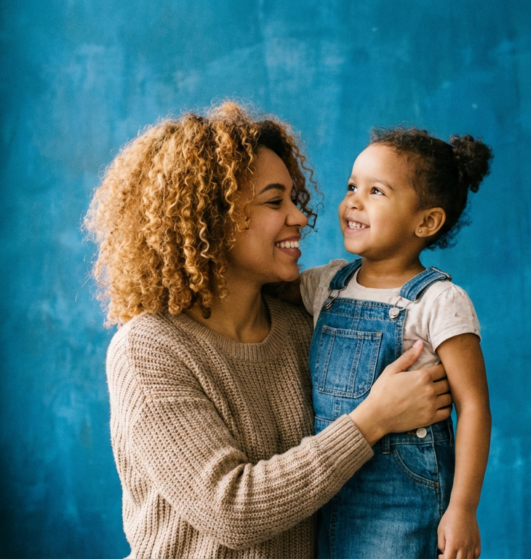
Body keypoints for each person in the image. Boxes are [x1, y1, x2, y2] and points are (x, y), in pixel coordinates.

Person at [84, 103, 454, 558]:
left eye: (295, 200)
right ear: (212, 219)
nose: (299, 217)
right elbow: (230, 511)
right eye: (275, 201)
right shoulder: (149, 350)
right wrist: (374, 419)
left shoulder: (306, 329)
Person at [291, 128, 493, 559]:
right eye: (351, 187)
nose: (353, 201)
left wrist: (463, 508)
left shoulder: (438, 301)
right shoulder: (327, 284)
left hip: (400, 501)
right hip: (326, 487)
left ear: (426, 221)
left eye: (376, 191)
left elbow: (473, 406)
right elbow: (259, 289)